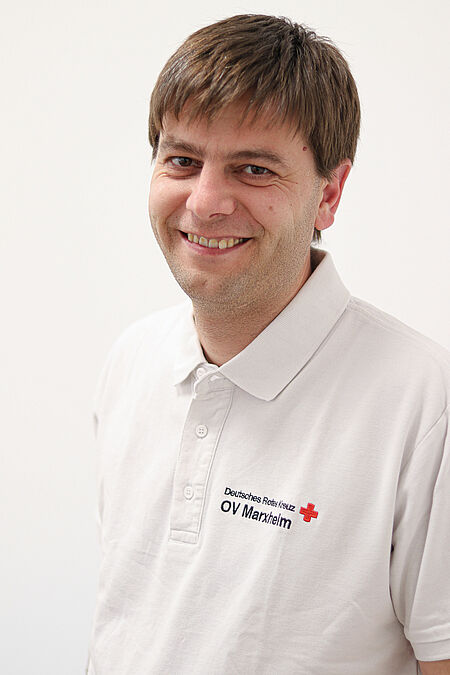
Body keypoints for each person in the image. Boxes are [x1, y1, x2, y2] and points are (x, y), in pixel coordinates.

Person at [87, 14, 450, 675]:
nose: (206, 202)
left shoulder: (424, 402)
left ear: (328, 194)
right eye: (182, 160)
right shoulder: (131, 361)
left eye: (253, 169)